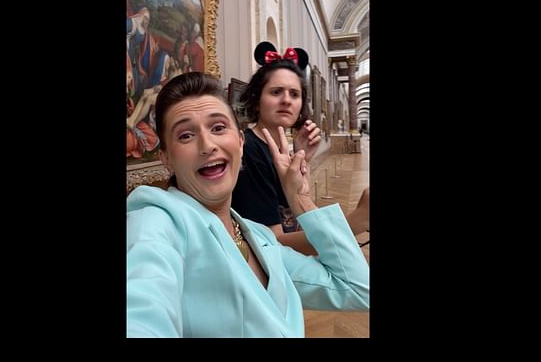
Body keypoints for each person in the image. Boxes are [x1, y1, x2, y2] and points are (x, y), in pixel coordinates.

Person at [127, 72, 369, 337]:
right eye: (185, 135)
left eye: (218, 128)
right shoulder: (156, 224)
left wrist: (301, 198)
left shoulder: (257, 236)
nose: (207, 145)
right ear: (166, 159)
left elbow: (358, 290)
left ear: (240, 142)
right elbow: (142, 310)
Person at [231, 42, 369, 256]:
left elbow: (298, 217)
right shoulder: (250, 151)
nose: (286, 100)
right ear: (257, 101)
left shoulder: (282, 149)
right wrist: (357, 221)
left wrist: (304, 160)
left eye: (294, 94)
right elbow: (271, 244)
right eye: (276, 92)